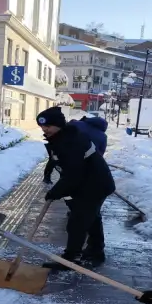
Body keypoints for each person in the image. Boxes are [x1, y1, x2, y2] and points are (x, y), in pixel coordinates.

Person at [37, 106, 116, 268]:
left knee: (77, 222)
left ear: (59, 125)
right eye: (42, 126)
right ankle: (95, 251)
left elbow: (74, 173)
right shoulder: (62, 138)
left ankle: (71, 258)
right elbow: (66, 169)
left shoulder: (71, 141)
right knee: (91, 219)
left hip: (95, 185)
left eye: (48, 126)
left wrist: (55, 192)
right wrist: (62, 190)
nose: (45, 129)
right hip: (88, 184)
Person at [44, 115, 108, 184]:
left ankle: (47, 178)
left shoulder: (78, 123)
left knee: (54, 160)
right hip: (81, 155)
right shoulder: (103, 136)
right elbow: (100, 152)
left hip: (62, 147)